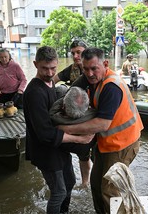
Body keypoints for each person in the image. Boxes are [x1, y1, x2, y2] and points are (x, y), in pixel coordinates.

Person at [59, 47, 144, 214]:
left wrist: (65, 129)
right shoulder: (91, 77)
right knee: (96, 184)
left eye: (94, 69)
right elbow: (74, 89)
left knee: (111, 190)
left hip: (123, 144)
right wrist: (65, 102)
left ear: (105, 64)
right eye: (86, 69)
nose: (89, 74)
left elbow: (102, 124)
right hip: (107, 143)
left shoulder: (111, 87)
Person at [23, 46, 94, 214]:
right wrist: (79, 139)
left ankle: (64, 211)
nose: (49, 73)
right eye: (44, 68)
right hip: (45, 150)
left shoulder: (51, 84)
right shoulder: (34, 92)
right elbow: (45, 134)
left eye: (53, 68)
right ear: (35, 64)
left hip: (59, 147)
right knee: (59, 192)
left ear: (58, 64)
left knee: (70, 182)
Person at [53, 39, 92, 186]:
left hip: (90, 116)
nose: (76, 56)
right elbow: (53, 80)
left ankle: (86, 182)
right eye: (73, 53)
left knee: (88, 153)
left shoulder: (94, 69)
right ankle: (82, 183)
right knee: (81, 151)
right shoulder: (71, 70)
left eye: (79, 53)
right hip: (74, 116)